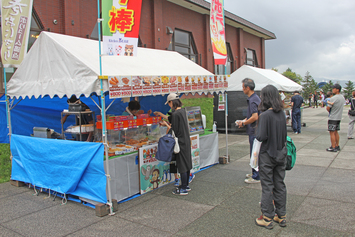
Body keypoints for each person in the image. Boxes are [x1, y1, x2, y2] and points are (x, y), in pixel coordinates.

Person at [254, 85, 287, 229]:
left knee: (267, 185)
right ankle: (281, 215)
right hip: (281, 153)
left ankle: (267, 217)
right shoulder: (282, 113)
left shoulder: (265, 115)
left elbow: (260, 136)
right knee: (280, 184)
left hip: (268, 155)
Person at [160, 93, 192, 195]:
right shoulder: (182, 111)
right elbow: (171, 118)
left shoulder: (176, 114)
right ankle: (186, 185)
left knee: (182, 165)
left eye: (169, 103)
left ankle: (183, 189)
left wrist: (165, 124)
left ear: (171, 102)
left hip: (180, 142)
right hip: (186, 141)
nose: (169, 105)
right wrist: (161, 115)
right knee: (187, 164)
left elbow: (173, 129)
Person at [154, 110, 195, 186]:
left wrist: (166, 124)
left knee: (181, 164)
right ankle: (178, 179)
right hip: (175, 148)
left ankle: (184, 184)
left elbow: (171, 131)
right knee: (175, 163)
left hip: (178, 148)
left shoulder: (176, 126)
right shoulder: (177, 123)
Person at [236, 78, 261, 184]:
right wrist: (244, 121)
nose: (242, 89)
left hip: (254, 130)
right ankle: (254, 172)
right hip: (254, 129)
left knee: (255, 153)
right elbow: (252, 115)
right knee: (254, 152)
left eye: (243, 87)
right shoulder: (255, 98)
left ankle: (256, 176)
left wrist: (244, 123)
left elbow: (255, 116)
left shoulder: (253, 99)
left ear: (247, 88)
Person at [326, 84, 345, 152]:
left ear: (337, 90)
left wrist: (328, 105)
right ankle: (337, 145)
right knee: (336, 131)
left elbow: (328, 108)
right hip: (339, 117)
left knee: (332, 132)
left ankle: (333, 146)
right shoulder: (342, 97)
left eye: (333, 88)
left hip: (333, 117)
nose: (332, 90)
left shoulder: (333, 98)